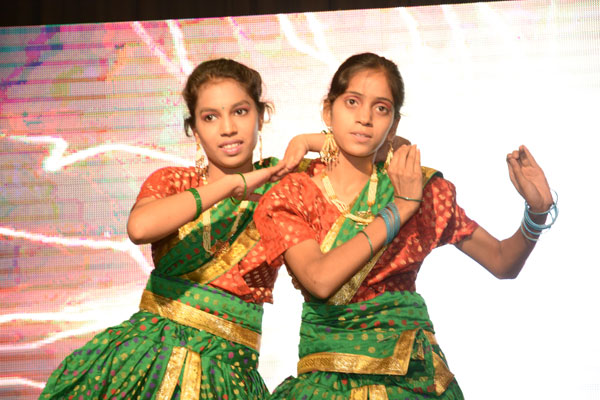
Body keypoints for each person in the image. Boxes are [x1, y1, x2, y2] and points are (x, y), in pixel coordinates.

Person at [255, 53, 556, 399]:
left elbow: (503, 261)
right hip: (326, 382)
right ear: (328, 111)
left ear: (394, 124)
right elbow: (319, 280)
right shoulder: (295, 192)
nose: (364, 118)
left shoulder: (420, 189)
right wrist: (400, 208)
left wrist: (537, 212)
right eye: (352, 102)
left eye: (381, 108)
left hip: (414, 382)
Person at [39, 58, 331, 400]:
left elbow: (380, 152)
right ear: (193, 128)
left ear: (261, 116)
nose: (228, 128)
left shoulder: (285, 186)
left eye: (240, 112)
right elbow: (140, 228)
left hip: (229, 377)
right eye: (210, 117)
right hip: (146, 362)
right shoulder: (174, 182)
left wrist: (307, 140)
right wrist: (231, 184)